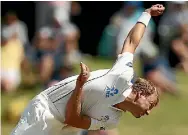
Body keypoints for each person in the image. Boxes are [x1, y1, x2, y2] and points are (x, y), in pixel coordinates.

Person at [11, 4, 165, 135]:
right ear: (140, 94)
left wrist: (79, 86)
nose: (148, 112)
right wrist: (147, 14)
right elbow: (131, 42)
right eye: (150, 105)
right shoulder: (123, 75)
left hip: (62, 128)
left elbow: (73, 120)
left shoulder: (112, 121)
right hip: (45, 109)